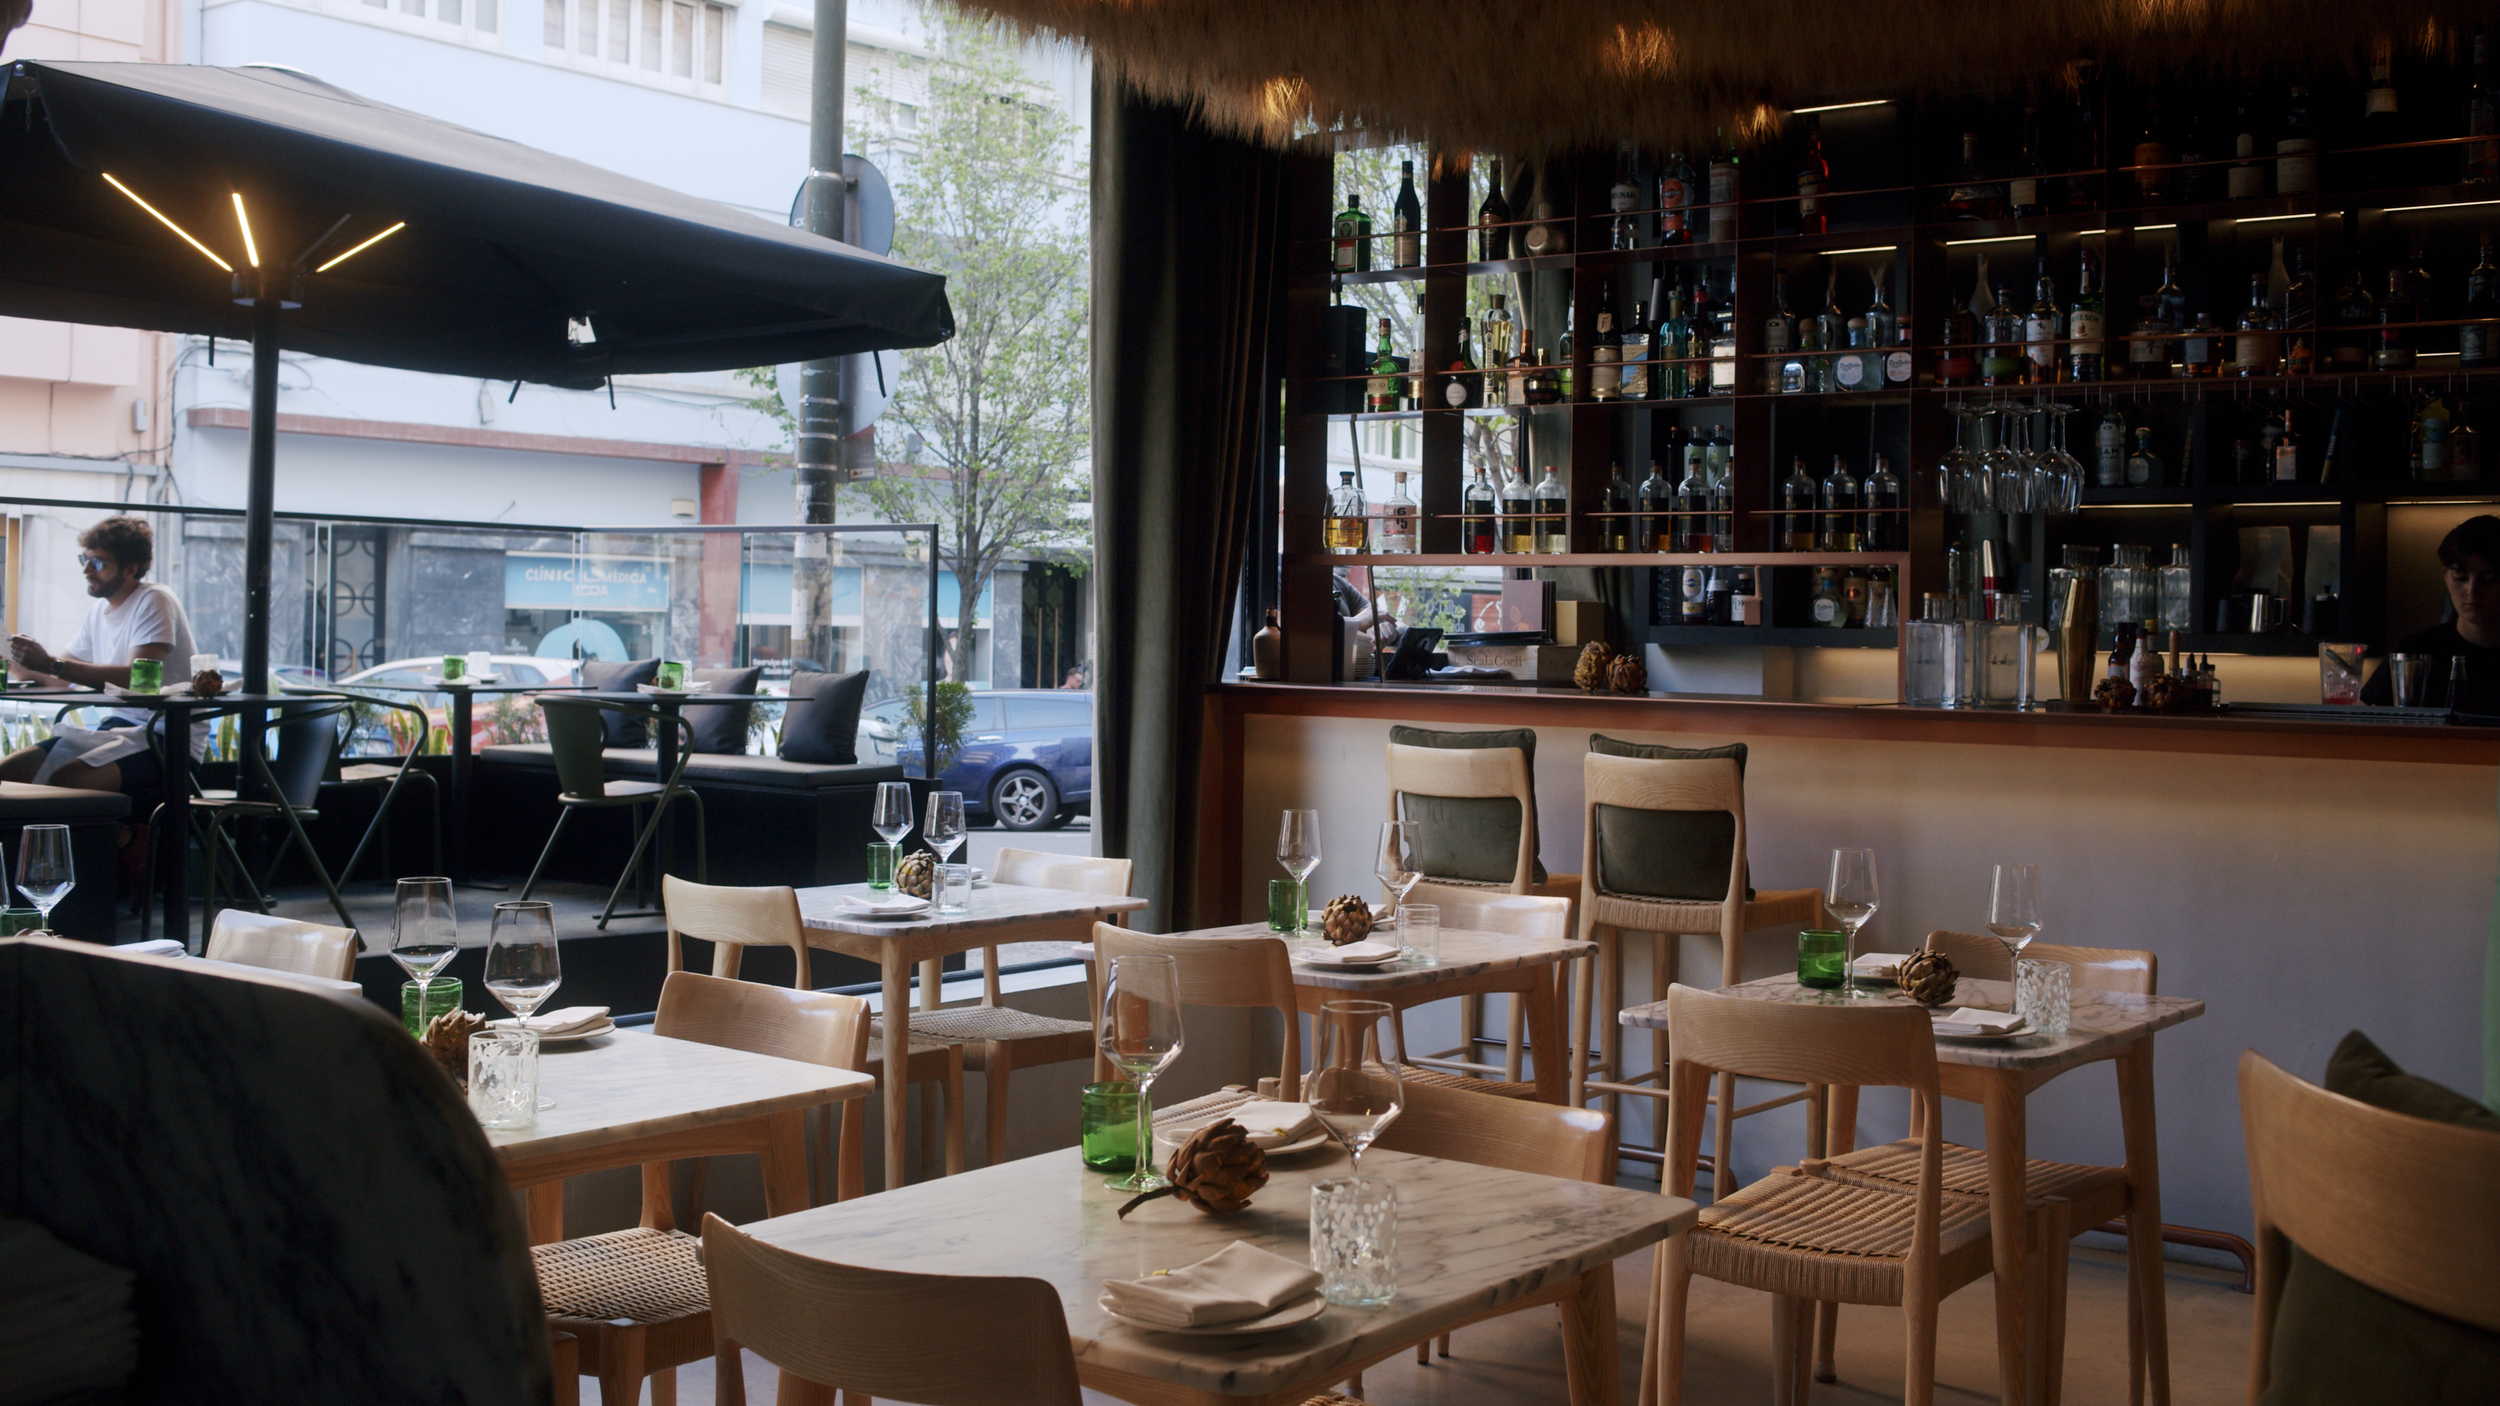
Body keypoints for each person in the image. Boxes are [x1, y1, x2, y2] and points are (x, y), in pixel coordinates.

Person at [0, 516, 206, 804]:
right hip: (116, 729)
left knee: (66, 781)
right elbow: (59, 677)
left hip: (164, 736)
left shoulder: (154, 600)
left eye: (98, 563)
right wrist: (17, 658)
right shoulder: (99, 613)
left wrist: (49, 663)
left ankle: (123, 840)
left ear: (130, 569)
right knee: (7, 774)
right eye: (84, 559)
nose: (86, 570)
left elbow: (138, 680)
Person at [2361, 513, 2500, 713]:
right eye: (2460, 577)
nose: (2472, 590)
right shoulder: (2414, 653)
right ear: (2446, 576)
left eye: (2489, 579)